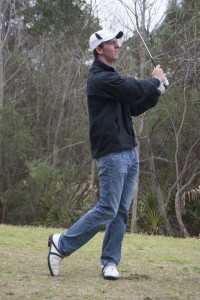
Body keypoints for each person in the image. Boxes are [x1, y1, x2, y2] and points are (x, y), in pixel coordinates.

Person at [48, 29, 167, 280]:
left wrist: (156, 92)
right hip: (112, 153)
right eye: (111, 42)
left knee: (121, 210)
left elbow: (133, 107)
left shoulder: (112, 78)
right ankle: (62, 244)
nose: (117, 45)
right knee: (107, 209)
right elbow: (131, 88)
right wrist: (154, 80)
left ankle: (110, 262)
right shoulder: (99, 78)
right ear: (99, 50)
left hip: (129, 152)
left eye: (117, 41)